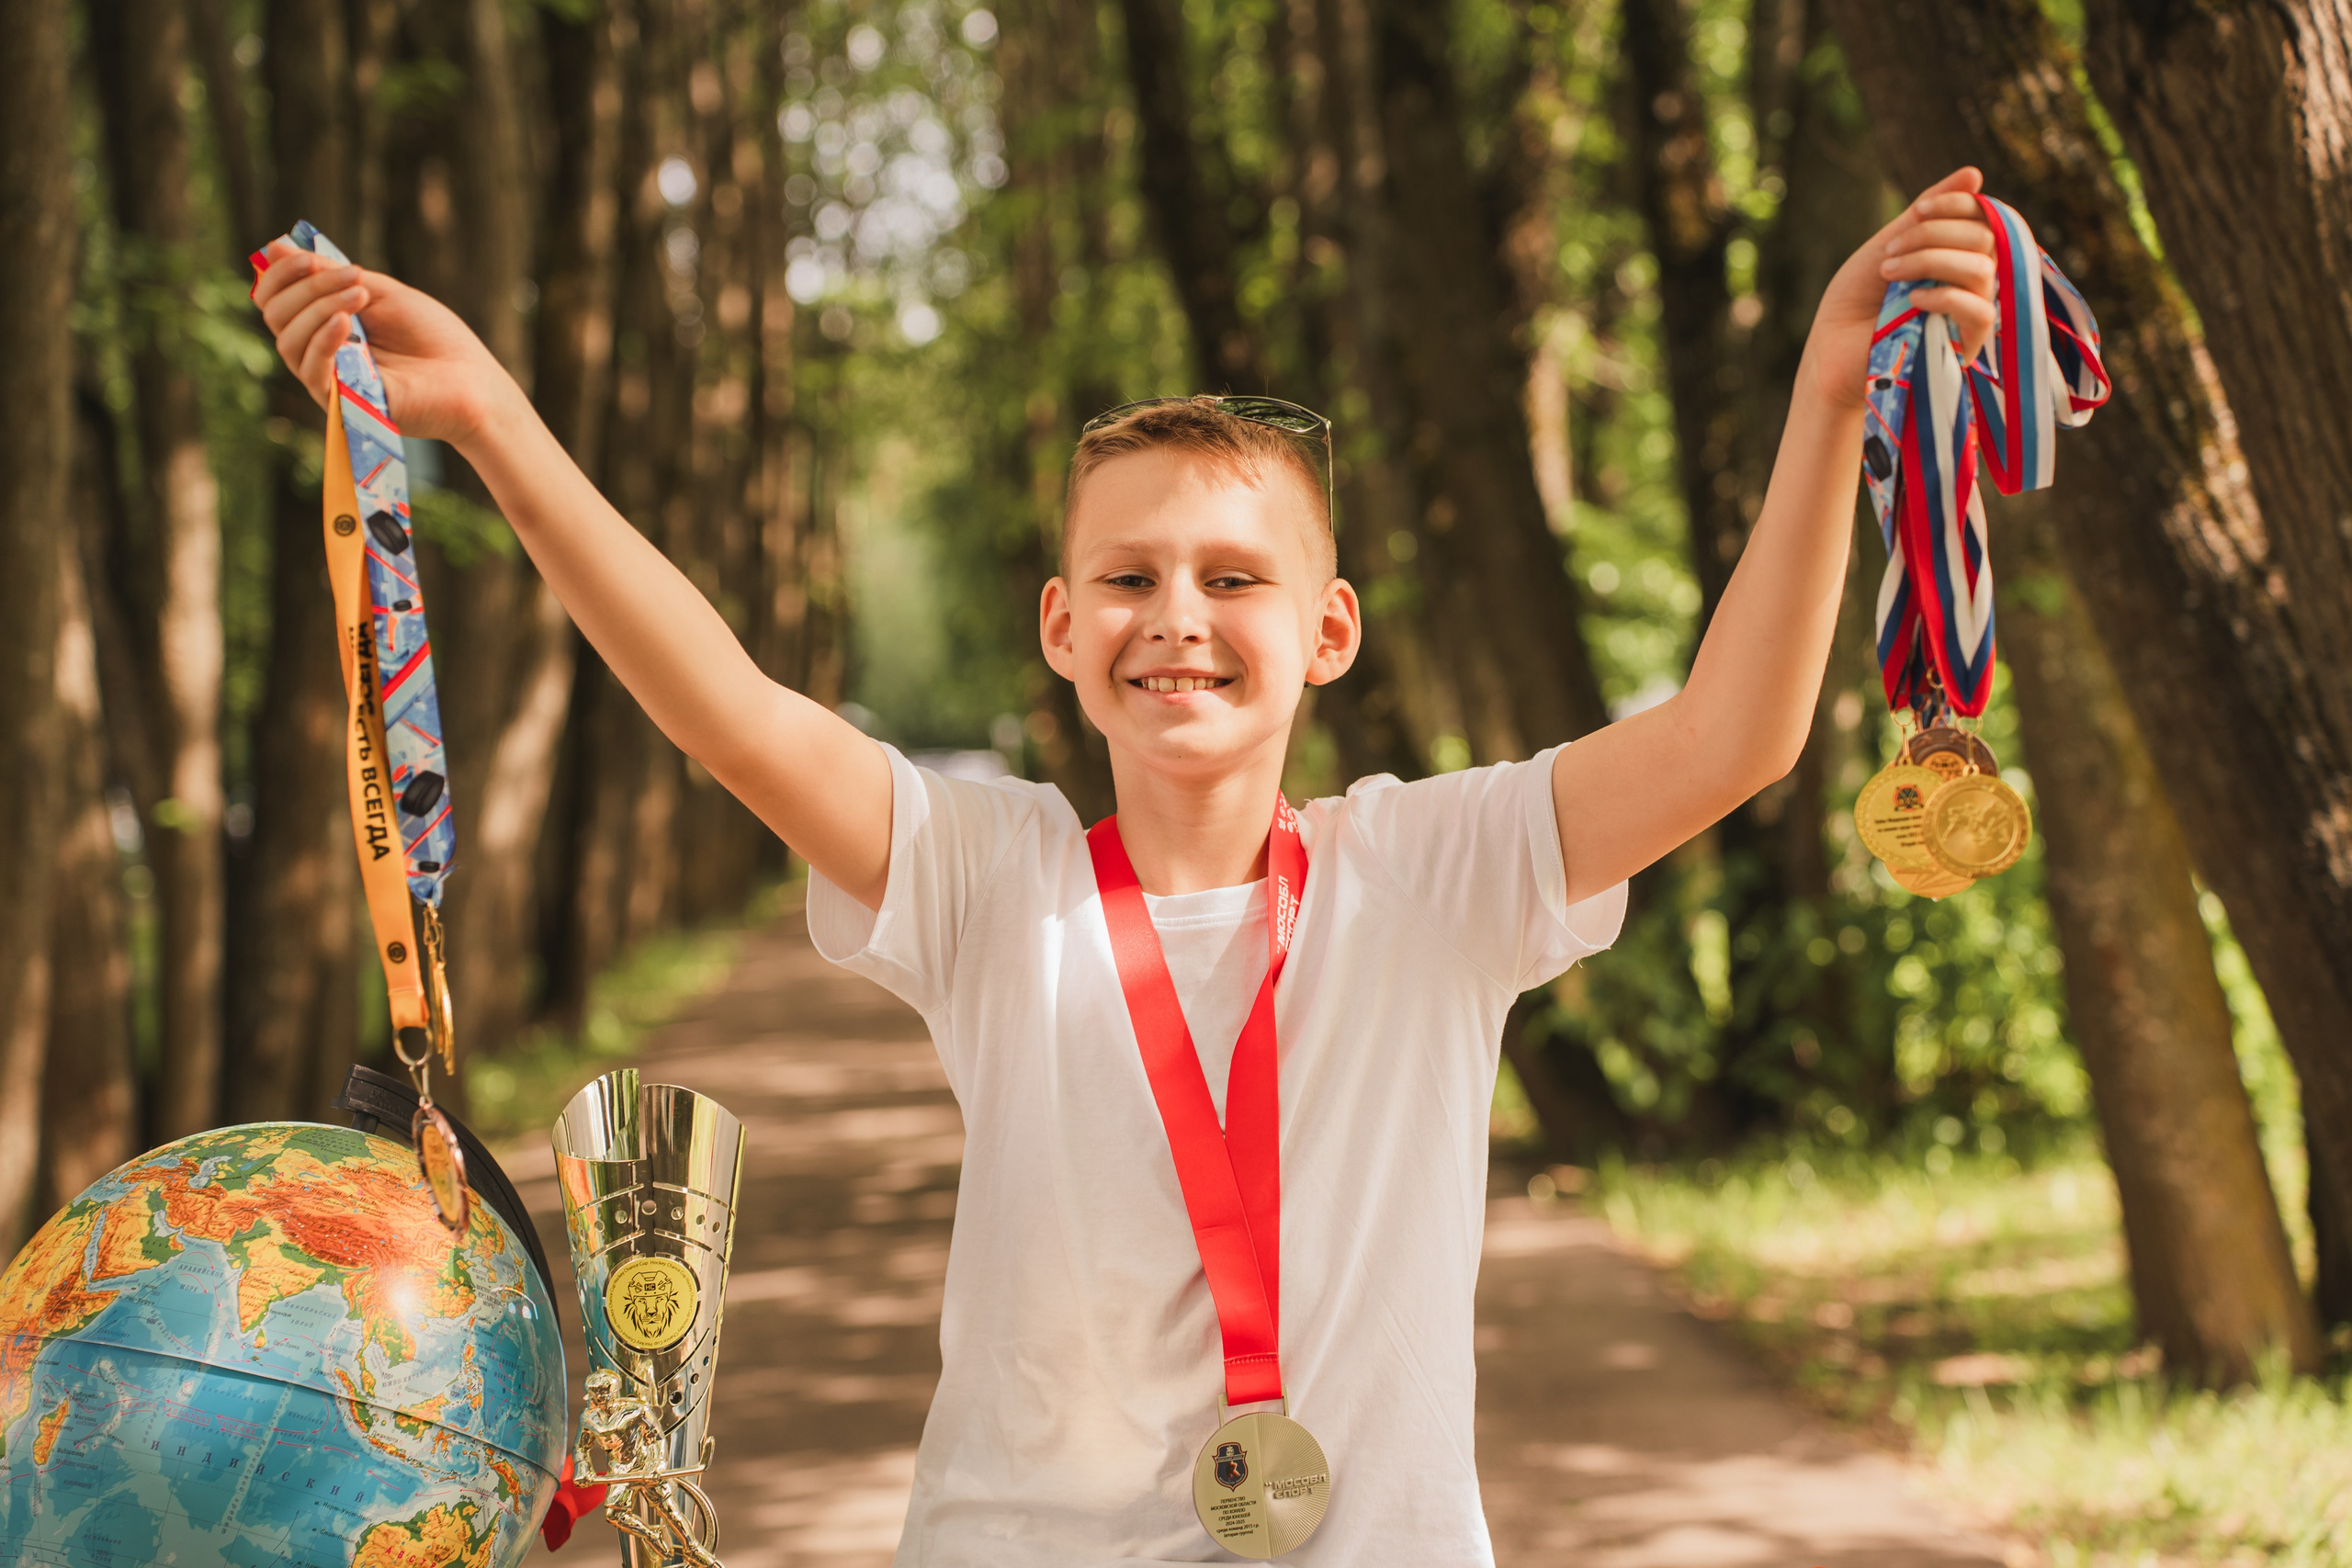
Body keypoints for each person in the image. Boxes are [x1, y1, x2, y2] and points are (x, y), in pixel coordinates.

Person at [254, 165, 2001, 1566]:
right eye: (1131, 577)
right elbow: (728, 708)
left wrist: (1835, 395)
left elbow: (1733, 737)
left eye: (1235, 579)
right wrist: (485, 416)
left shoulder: (1434, 870)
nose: (1179, 617)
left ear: (1327, 632)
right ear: (1060, 626)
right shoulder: (985, 878)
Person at [573, 1369, 724, 1568]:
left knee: (668, 1509)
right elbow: (581, 1447)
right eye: (596, 1392)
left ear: (614, 1391)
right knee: (615, 1515)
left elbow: (656, 1440)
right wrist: (583, 1469)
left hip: (644, 1463)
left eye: (605, 1392)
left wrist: (656, 1465)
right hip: (620, 1469)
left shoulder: (636, 1410)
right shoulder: (588, 1418)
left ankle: (692, 1548)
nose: (601, 1397)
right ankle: (651, 1533)